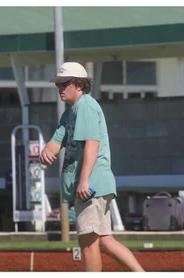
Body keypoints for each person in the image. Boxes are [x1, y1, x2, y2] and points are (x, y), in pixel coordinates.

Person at [40, 62, 144, 272]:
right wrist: (46, 151)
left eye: (64, 83)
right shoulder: (69, 113)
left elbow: (92, 145)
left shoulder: (85, 106)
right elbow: (56, 141)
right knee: (105, 241)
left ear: (79, 85)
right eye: (57, 84)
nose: (59, 88)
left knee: (88, 244)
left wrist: (84, 180)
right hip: (94, 185)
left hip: (91, 186)